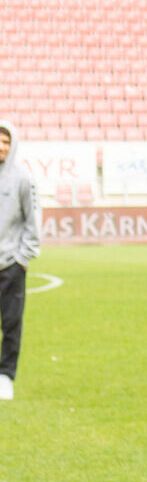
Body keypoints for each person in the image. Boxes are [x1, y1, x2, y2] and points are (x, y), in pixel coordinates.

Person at [0, 120, 37, 401]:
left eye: (6, 142)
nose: (1, 147)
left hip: (10, 265)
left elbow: (31, 221)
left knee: (11, 322)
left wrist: (22, 258)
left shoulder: (22, 179)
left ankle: (5, 376)